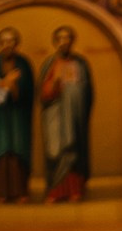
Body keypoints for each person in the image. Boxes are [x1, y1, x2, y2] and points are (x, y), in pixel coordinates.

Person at [37, 25, 94, 205]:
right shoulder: (49, 64)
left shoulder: (81, 64)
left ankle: (75, 191)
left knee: (73, 149)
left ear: (72, 41)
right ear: (55, 42)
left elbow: (87, 91)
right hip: (54, 115)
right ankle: (55, 191)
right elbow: (42, 95)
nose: (64, 42)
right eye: (60, 39)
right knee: (54, 151)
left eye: (67, 38)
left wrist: (72, 89)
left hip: (74, 116)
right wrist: (53, 87)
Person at [0, 27, 33, 203]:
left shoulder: (23, 64)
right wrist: (2, 85)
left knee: (17, 152)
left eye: (10, 41)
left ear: (16, 43)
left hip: (18, 117)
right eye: (3, 42)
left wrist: (15, 88)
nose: (7, 45)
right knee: (0, 153)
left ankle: (20, 192)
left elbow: (30, 91)